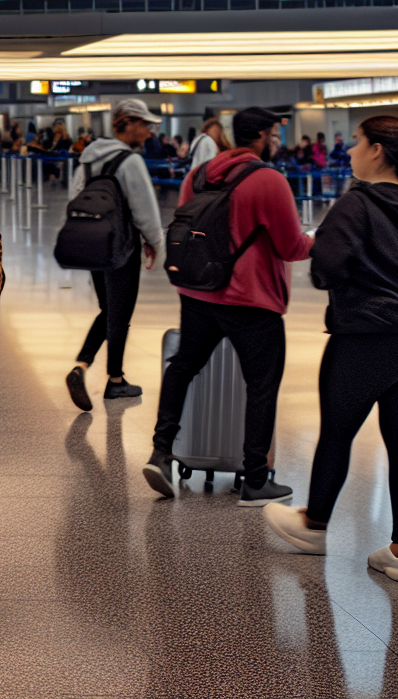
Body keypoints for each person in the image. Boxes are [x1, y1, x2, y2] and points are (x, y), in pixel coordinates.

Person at [264, 115, 398, 585]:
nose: (350, 151)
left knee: (337, 433)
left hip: (366, 339)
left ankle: (314, 526)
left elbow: (324, 270)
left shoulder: (356, 204)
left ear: (376, 150)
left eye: (356, 142)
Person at [144, 107, 312, 507]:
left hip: (199, 292)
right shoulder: (269, 181)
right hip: (250, 299)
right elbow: (291, 246)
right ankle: (254, 479)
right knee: (262, 383)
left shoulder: (198, 176)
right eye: (274, 134)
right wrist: (320, 239)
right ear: (260, 136)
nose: (278, 142)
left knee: (183, 366)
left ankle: (160, 452)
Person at [64, 99, 166, 411]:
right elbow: (145, 211)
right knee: (119, 314)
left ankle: (82, 365)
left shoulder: (89, 158)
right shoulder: (130, 161)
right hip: (123, 248)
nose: (149, 131)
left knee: (108, 309)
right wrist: (156, 245)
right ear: (127, 124)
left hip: (94, 244)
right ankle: (116, 381)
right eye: (144, 124)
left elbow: (74, 196)